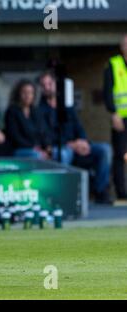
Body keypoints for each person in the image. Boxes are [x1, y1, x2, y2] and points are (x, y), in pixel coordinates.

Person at [39, 71, 112, 204]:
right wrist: (70, 144)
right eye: (44, 85)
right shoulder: (40, 110)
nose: (47, 87)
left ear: (56, 84)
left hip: (77, 145)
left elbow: (78, 126)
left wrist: (83, 141)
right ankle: (64, 193)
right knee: (63, 154)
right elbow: (46, 135)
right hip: (62, 147)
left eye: (50, 83)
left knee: (104, 149)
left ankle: (101, 192)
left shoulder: (67, 105)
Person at [104, 34, 127, 200]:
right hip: (120, 118)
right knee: (120, 155)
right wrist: (113, 113)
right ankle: (122, 193)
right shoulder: (113, 64)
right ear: (121, 46)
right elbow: (108, 92)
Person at [5, 79, 51, 159]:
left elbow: (43, 132)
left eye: (30, 93)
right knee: (37, 155)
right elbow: (14, 136)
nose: (27, 95)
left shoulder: (36, 111)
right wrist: (33, 147)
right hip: (19, 150)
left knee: (57, 154)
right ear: (18, 94)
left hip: (37, 149)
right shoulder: (12, 111)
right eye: (24, 92)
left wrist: (47, 147)